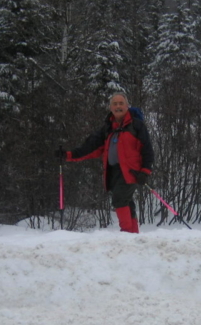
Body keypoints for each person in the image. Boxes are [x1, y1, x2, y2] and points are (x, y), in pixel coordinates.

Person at [59, 92, 154, 233]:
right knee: (126, 201)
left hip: (131, 171)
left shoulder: (137, 126)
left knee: (119, 199)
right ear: (110, 107)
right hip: (113, 171)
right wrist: (68, 155)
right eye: (115, 104)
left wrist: (145, 171)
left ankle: (126, 234)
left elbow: (147, 149)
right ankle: (133, 235)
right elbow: (91, 147)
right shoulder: (108, 127)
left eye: (121, 103)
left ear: (127, 106)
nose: (118, 106)